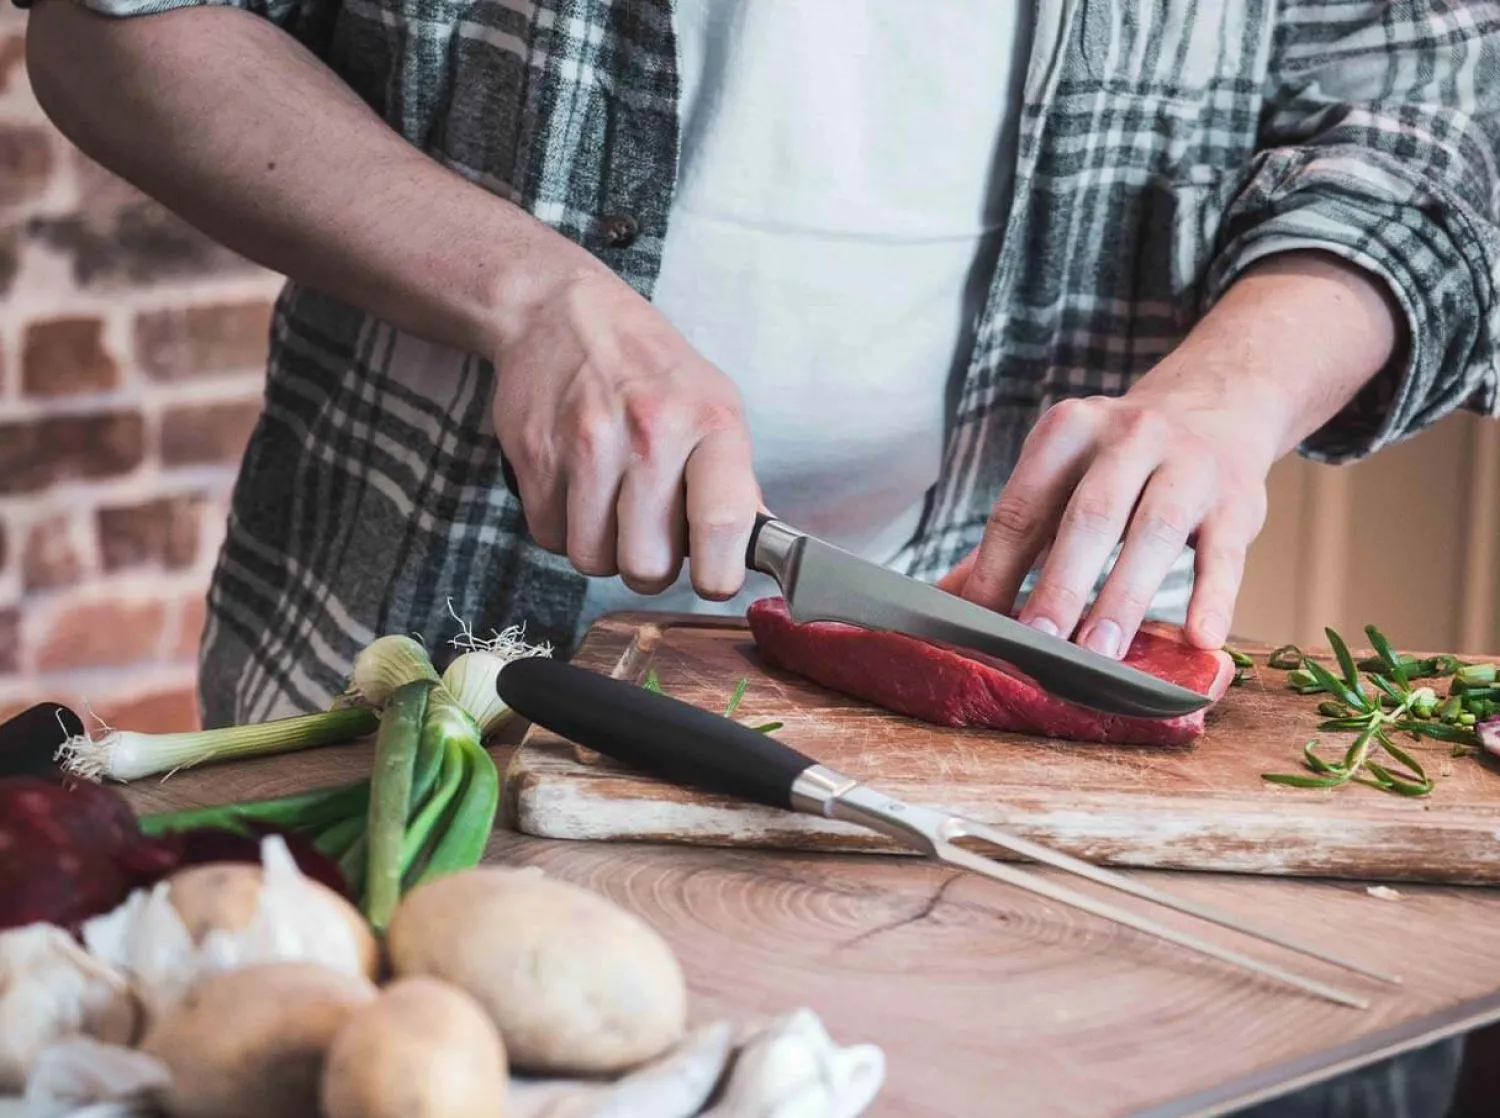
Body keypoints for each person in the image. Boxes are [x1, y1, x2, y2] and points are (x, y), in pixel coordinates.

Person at [26, 2, 1498, 1114]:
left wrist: (1241, 385)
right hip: (407, 658)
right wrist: (526, 293)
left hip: (1067, 741)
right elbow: (121, 30)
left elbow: (1440, 113)